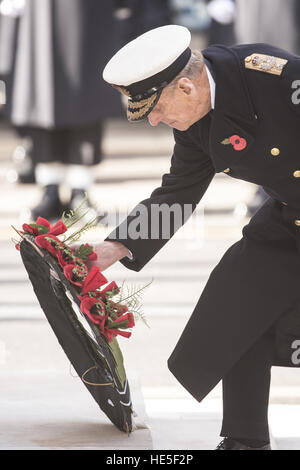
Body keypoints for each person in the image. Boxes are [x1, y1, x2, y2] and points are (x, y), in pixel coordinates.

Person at [83, 25, 300, 450]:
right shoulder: (195, 118)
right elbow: (178, 192)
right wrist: (116, 246)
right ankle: (244, 440)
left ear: (185, 86)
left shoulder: (275, 78)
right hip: (289, 217)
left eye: (157, 109)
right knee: (238, 300)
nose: (155, 120)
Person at [4, 0, 123, 220]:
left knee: (85, 91)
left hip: (87, 12)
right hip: (39, 11)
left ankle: (81, 189)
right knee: (41, 94)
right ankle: (49, 187)